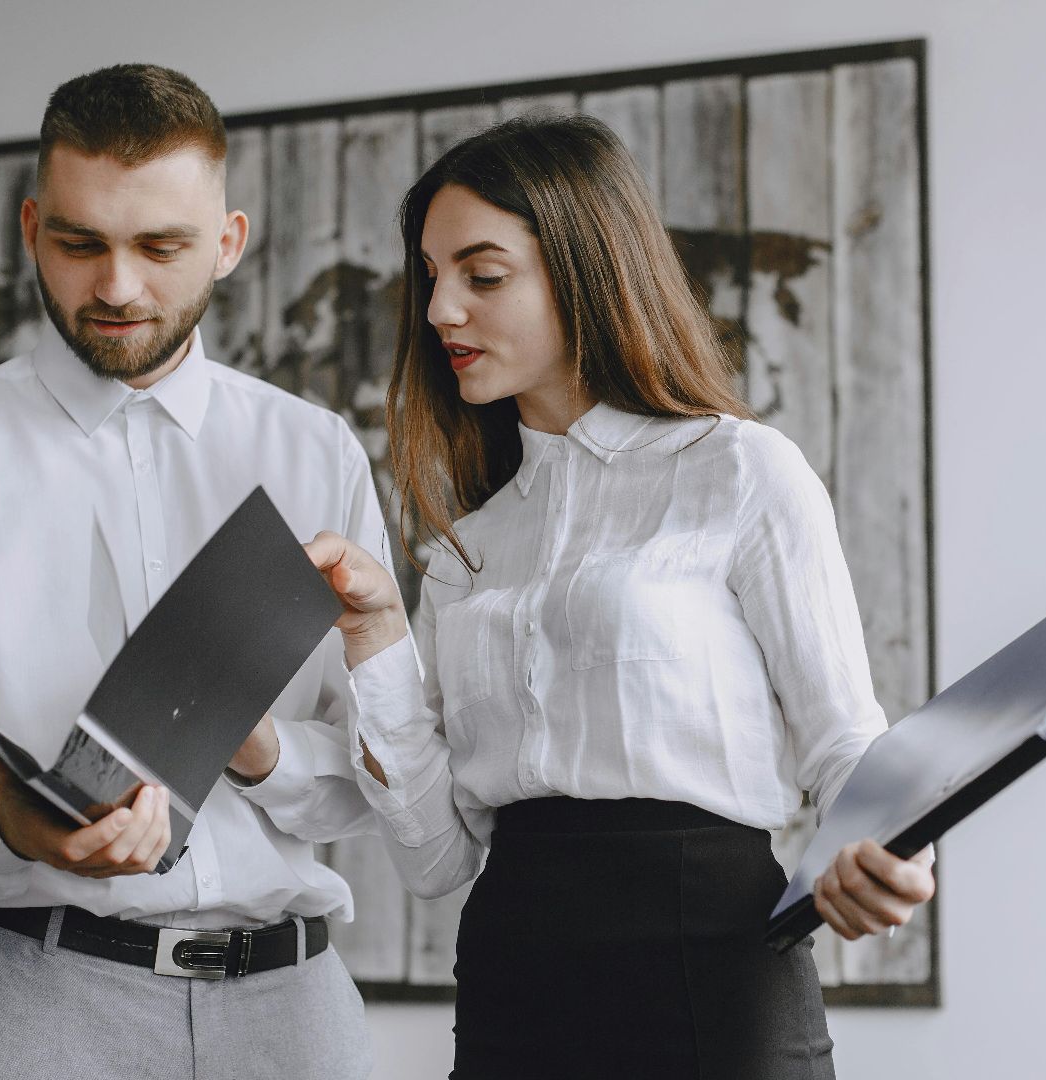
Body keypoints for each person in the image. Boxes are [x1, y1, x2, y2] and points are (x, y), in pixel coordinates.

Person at [299, 115, 937, 1079]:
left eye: (483, 275)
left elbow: (844, 739)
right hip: (514, 980)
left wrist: (891, 848)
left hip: (711, 971)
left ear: (586, 271)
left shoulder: (739, 471)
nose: (439, 311)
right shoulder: (467, 548)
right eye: (430, 277)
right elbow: (435, 860)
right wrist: (379, 638)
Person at [0, 64, 377, 1079]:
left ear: (228, 243)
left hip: (295, 1015)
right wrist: (6, 828)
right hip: (35, 1002)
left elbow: (377, 772)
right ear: (32, 229)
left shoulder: (317, 452)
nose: (116, 287)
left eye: (160, 247)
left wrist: (259, 752)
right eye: (80, 244)